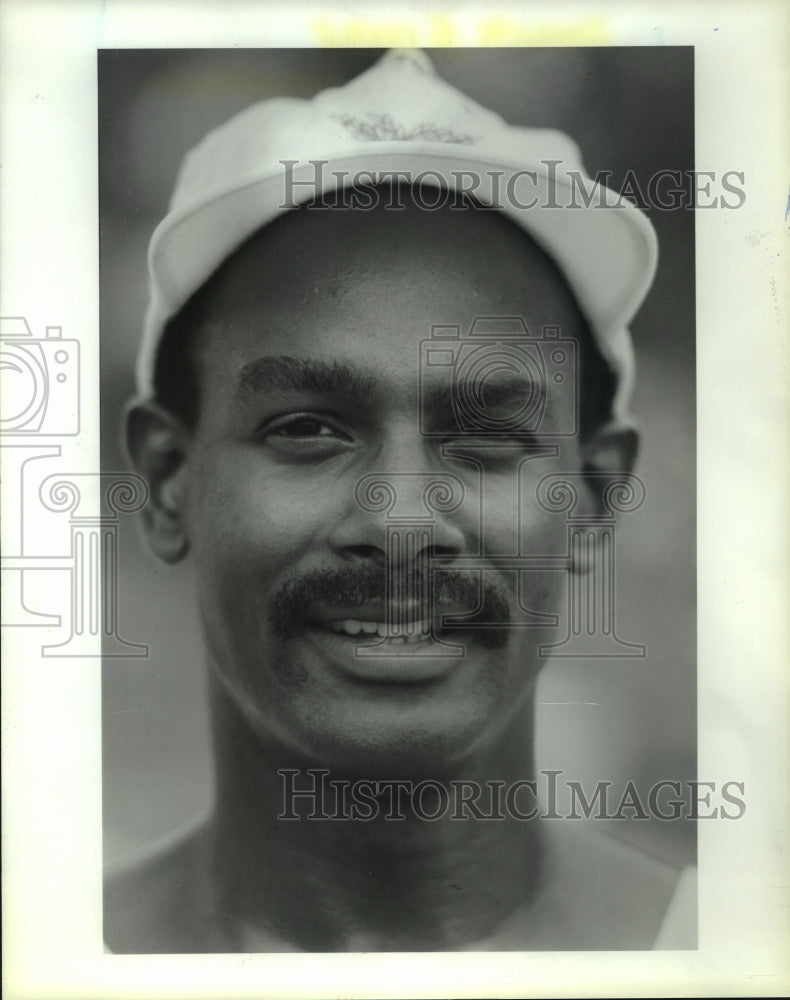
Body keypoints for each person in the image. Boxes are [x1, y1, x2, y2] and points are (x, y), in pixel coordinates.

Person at [104, 48, 696, 953]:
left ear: (593, 494)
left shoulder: (733, 951)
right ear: (166, 480)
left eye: (488, 438)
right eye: (308, 428)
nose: (402, 519)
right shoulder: (39, 954)